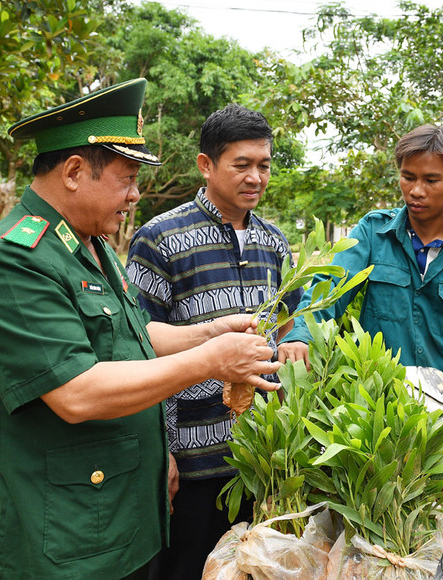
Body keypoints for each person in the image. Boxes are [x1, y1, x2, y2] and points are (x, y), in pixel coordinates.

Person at [0, 78, 281, 579]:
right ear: (73, 172)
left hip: (124, 512)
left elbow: (133, 337)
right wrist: (210, 361)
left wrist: (208, 333)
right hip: (67, 532)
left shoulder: (90, 245)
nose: (134, 195)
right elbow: (76, 391)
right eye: (127, 179)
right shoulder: (12, 261)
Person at [278, 124, 443, 580]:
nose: (416, 190)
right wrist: (301, 336)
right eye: (408, 177)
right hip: (384, 422)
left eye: (431, 180)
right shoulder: (373, 234)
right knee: (383, 544)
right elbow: (328, 291)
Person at [126, 103, 303, 579]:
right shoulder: (160, 238)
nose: (256, 178)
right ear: (206, 164)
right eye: (241, 165)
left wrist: (293, 343)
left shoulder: (274, 243)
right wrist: (160, 450)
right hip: (190, 460)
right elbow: (137, 344)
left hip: (259, 460)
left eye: (264, 165)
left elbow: (290, 320)